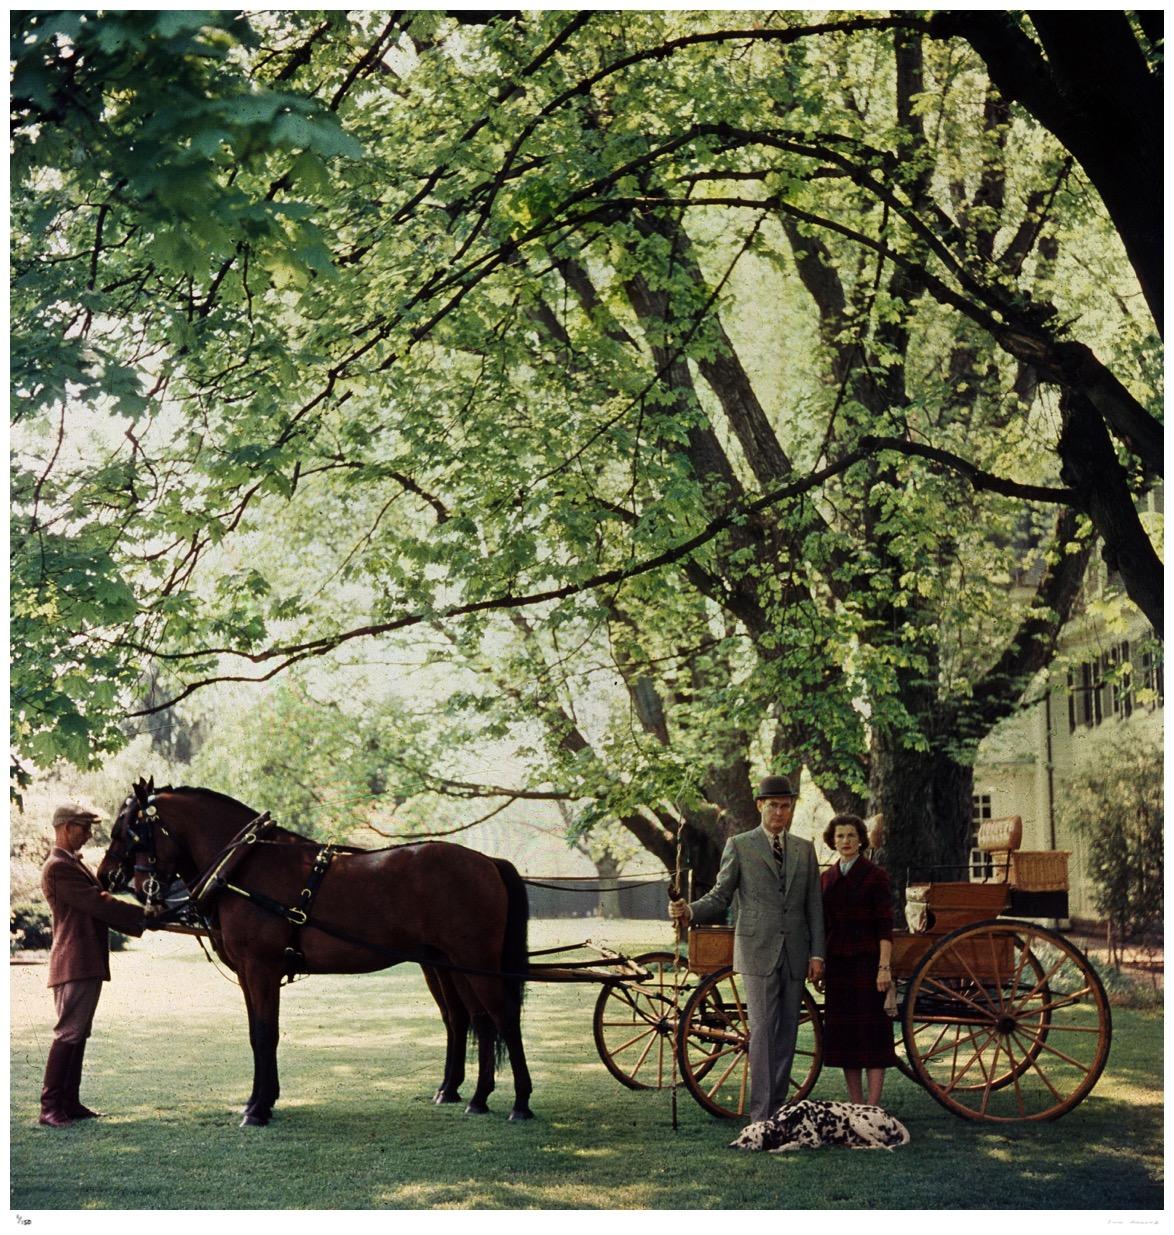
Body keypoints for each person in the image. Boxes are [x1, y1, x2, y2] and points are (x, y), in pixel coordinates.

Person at [670, 775, 825, 1123]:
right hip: (757, 951)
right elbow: (721, 895)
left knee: (787, 1033)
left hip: (796, 952)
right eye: (773, 806)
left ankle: (780, 1113)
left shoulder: (804, 848)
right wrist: (689, 911)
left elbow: (814, 906)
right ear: (760, 806)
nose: (779, 813)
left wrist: (817, 954)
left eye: (785, 806)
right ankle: (760, 1117)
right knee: (763, 1032)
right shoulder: (740, 845)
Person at [39, 803, 158, 1128]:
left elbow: (98, 898)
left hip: (83, 960)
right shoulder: (58, 867)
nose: (89, 834)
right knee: (69, 1033)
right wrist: (142, 917)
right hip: (74, 961)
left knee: (78, 1033)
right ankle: (50, 1108)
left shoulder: (70, 864)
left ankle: (69, 1101)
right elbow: (96, 902)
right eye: (84, 827)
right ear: (65, 827)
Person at [819, 812, 897, 1106]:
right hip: (839, 967)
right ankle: (855, 1105)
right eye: (840, 836)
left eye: (851, 835)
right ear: (832, 840)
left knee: (872, 1036)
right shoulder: (826, 879)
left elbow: (884, 926)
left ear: (861, 840)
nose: (845, 841)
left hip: (869, 966)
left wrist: (884, 968)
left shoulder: (876, 876)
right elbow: (823, 925)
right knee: (846, 1040)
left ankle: (873, 1107)